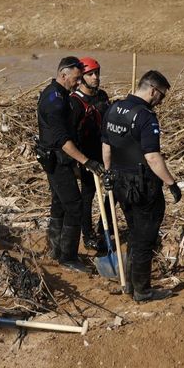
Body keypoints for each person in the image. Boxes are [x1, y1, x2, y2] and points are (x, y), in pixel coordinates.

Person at [102, 70, 182, 302]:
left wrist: (108, 173)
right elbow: (152, 157)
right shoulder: (146, 117)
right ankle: (143, 291)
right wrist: (171, 183)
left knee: (134, 233)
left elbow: (106, 147)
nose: (161, 102)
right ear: (153, 91)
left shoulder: (114, 109)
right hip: (142, 184)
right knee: (145, 237)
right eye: (162, 96)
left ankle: (129, 284)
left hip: (119, 182)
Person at [36, 56, 104, 272]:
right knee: (74, 206)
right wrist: (87, 162)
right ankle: (68, 257)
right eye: (75, 79)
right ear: (63, 75)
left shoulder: (60, 94)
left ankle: (55, 249)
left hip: (58, 159)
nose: (78, 83)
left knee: (59, 203)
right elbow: (63, 140)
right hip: (57, 160)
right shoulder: (54, 101)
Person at [69, 57, 111, 254]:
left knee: (112, 191)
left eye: (97, 73)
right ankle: (87, 235)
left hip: (105, 151)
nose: (95, 77)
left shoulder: (102, 96)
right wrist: (77, 164)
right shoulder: (75, 102)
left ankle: (104, 228)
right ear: (81, 77)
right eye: (90, 74)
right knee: (87, 195)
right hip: (86, 156)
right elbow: (69, 136)